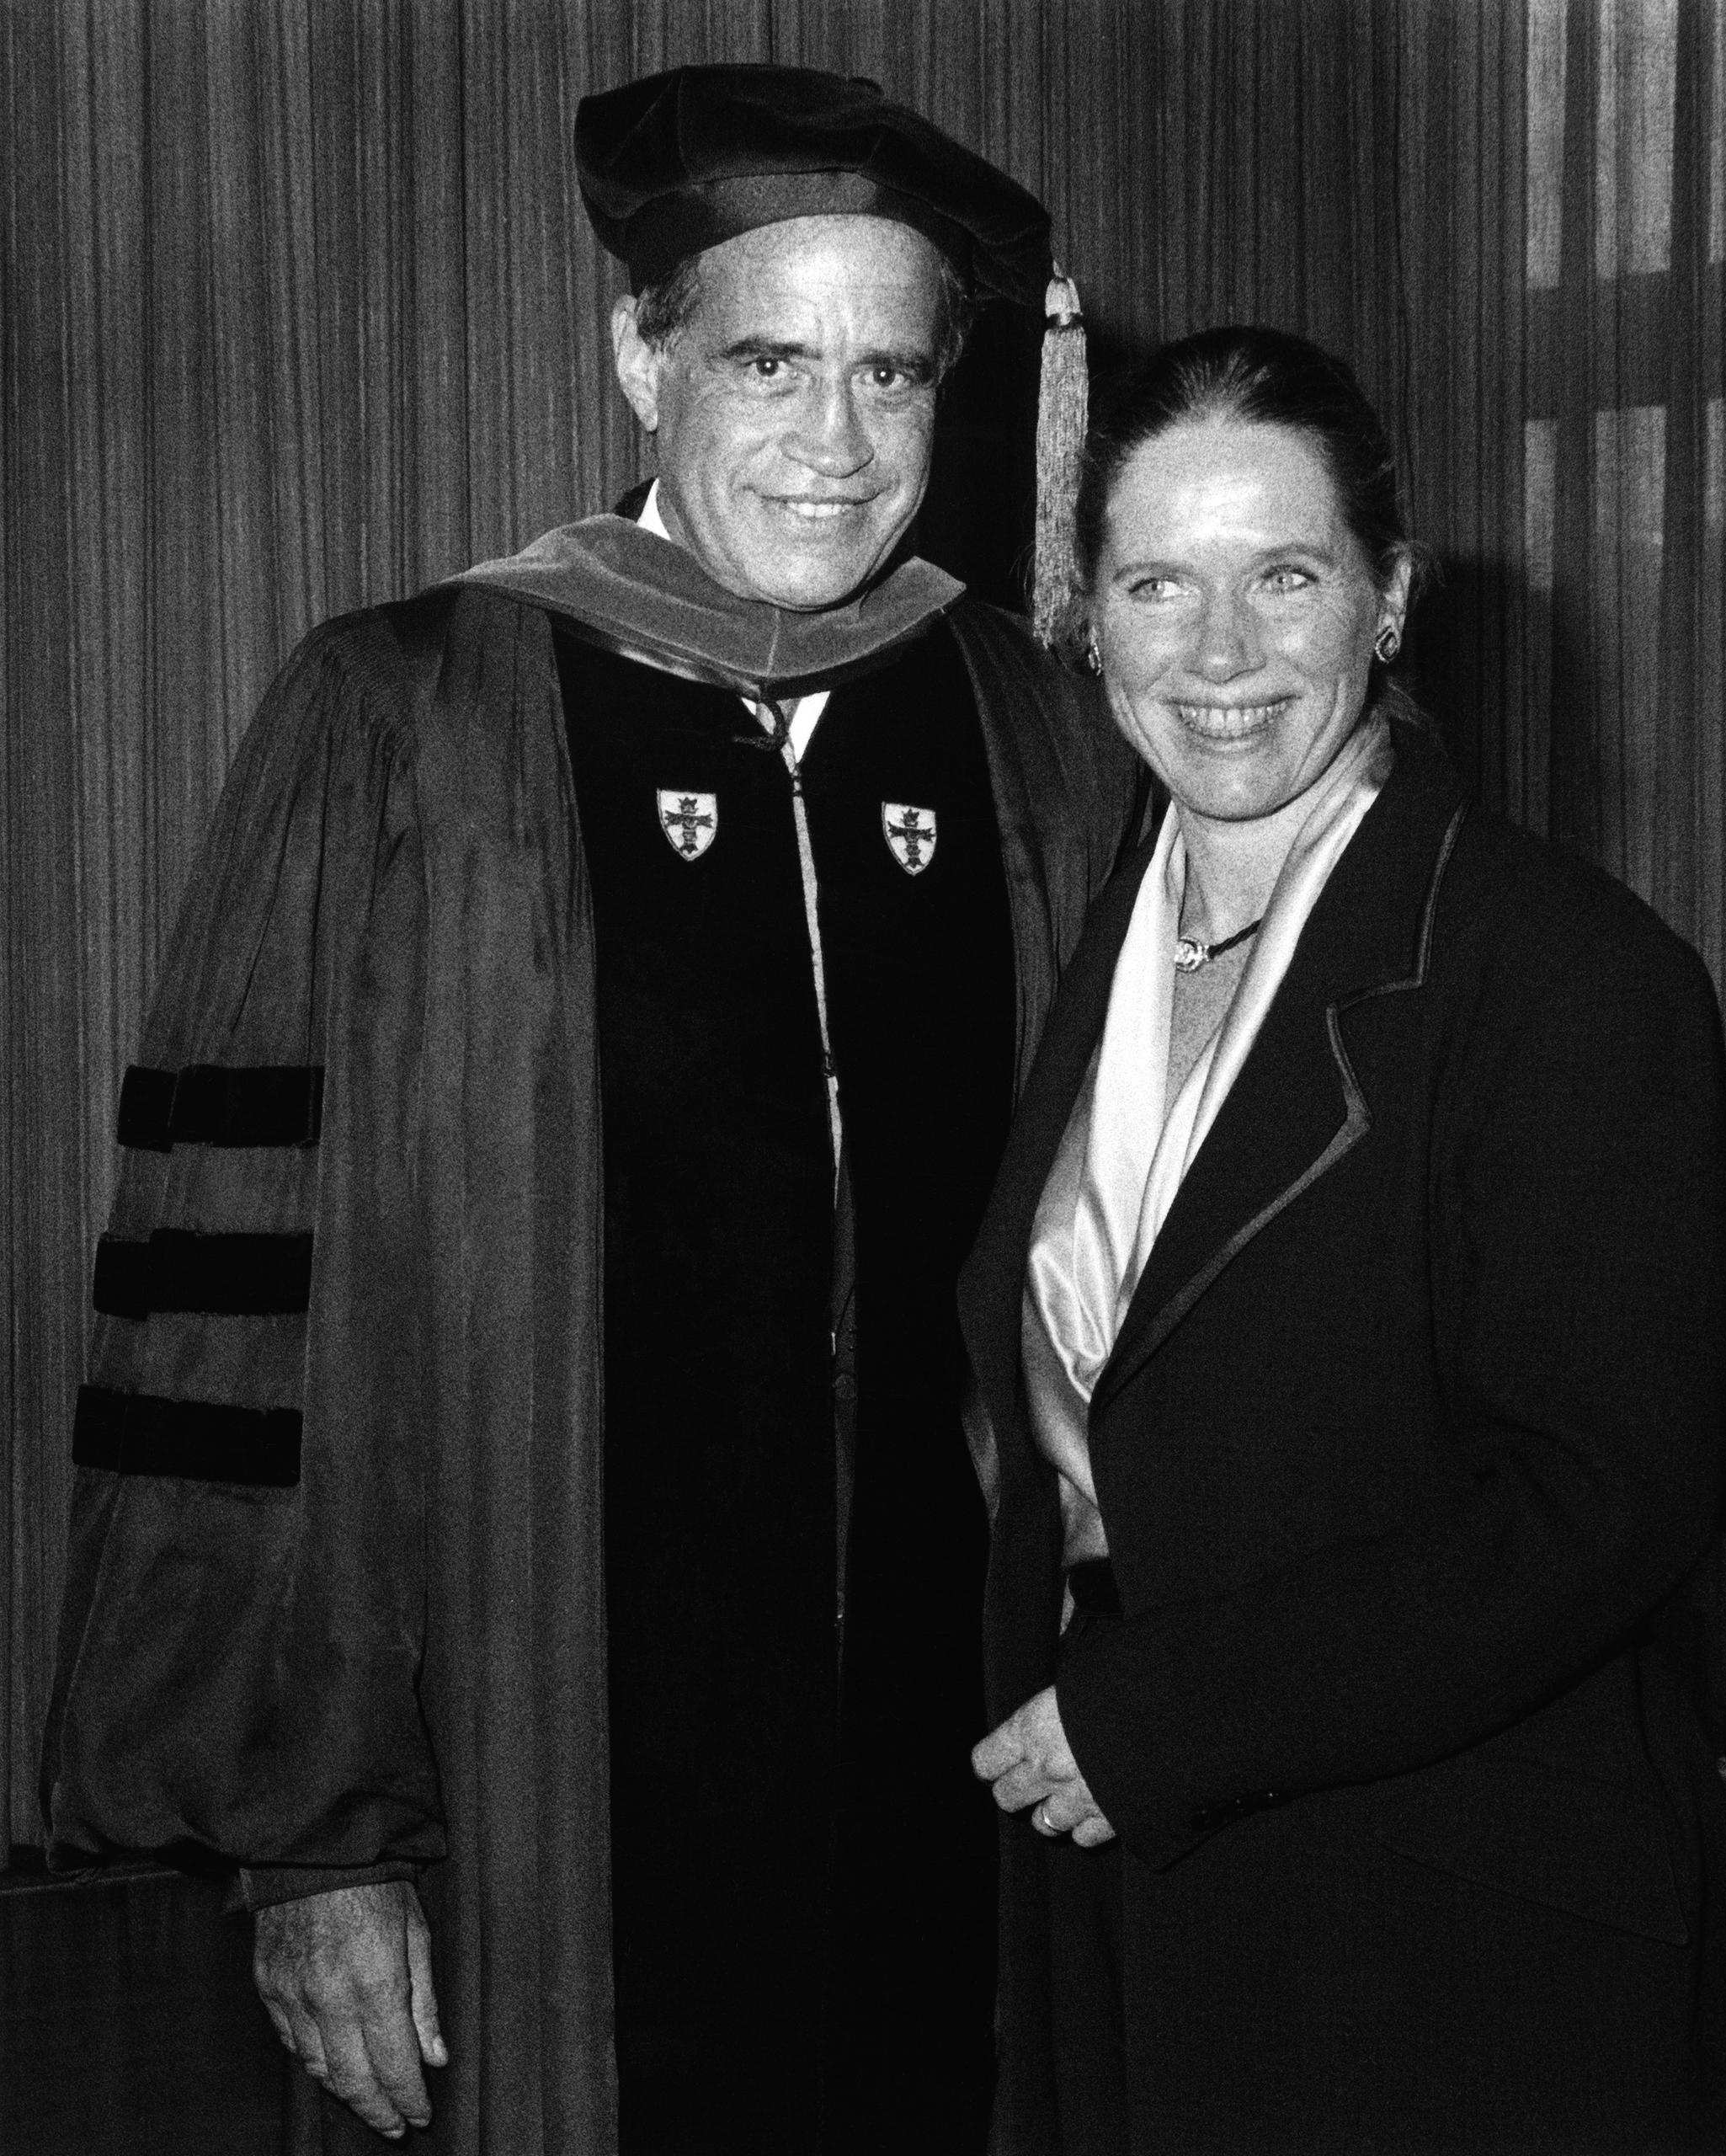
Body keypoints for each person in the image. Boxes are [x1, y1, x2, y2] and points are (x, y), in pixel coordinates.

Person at [40, 65, 1137, 2156]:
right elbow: (231, 1321)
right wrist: (315, 1837)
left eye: (892, 372)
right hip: (530, 1783)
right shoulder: (402, 716)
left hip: (971, 1779)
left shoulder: (1032, 734)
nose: (836, 442)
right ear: (638, 351)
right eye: (767, 361)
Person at [965, 327, 1726, 2153]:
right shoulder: (1095, 945)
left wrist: (1163, 1716)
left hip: (1446, 1925)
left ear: (1389, 599)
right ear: (1087, 617)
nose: (1218, 652)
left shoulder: (1570, 975)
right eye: (1154, 584)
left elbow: (1596, 1502)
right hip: (1126, 1889)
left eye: (1284, 575)